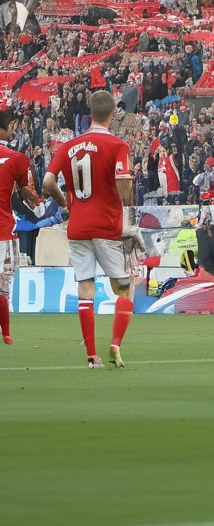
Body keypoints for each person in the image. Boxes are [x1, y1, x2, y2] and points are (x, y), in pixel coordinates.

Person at [42, 91, 135, 369]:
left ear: (89, 113)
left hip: (78, 226)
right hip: (107, 226)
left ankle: (92, 357)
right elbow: (123, 183)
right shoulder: (118, 145)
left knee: (85, 288)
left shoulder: (69, 145)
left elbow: (47, 182)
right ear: (113, 114)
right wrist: (127, 201)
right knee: (124, 288)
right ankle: (115, 344)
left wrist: (65, 203)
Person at [0, 110, 40, 345]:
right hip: (3, 232)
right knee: (3, 287)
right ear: (13, 124)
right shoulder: (17, 159)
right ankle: (6, 332)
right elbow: (29, 196)